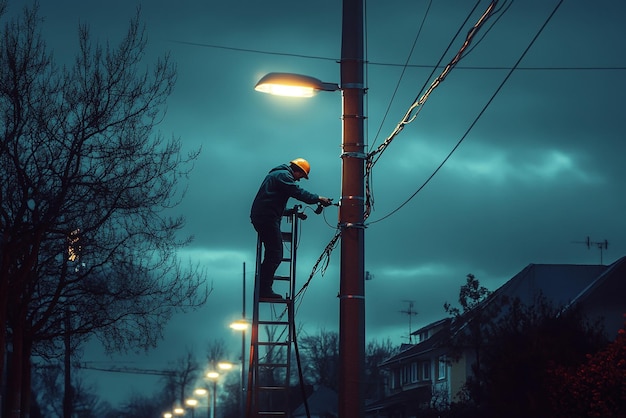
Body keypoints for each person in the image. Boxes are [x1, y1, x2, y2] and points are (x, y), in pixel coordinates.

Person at [251, 158, 332, 299]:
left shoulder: (277, 175)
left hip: (265, 216)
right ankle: (263, 289)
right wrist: (318, 198)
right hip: (267, 218)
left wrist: (292, 213)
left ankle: (262, 287)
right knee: (275, 254)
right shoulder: (283, 176)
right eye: (301, 176)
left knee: (273, 253)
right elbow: (297, 192)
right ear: (298, 170)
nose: (299, 179)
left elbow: (271, 202)